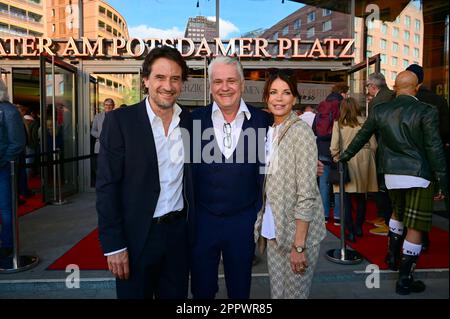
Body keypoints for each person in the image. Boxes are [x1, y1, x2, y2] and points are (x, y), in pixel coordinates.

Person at [96, 45, 194, 299]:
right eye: (160, 77)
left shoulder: (190, 123)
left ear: (182, 83)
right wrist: (114, 244)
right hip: (136, 236)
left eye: (175, 78)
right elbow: (107, 186)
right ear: (146, 80)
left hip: (177, 236)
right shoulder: (120, 121)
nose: (168, 85)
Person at [339, 71, 448, 295]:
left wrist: (345, 156)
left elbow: (361, 137)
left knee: (397, 214)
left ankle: (391, 256)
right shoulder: (426, 110)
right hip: (419, 174)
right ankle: (405, 278)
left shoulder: (381, 110)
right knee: (416, 226)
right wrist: (442, 180)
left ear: (396, 88)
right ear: (416, 88)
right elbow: (434, 147)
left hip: (390, 174)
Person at [190, 56, 270, 299]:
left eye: (231, 81)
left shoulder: (263, 122)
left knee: (240, 289)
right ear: (211, 86)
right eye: (218, 81)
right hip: (202, 221)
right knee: (202, 289)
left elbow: (282, 156)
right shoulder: (192, 121)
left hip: (243, 221)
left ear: (243, 84)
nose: (225, 87)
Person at [254, 69, 326, 299]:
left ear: (294, 98)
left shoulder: (300, 132)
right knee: (278, 294)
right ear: (266, 98)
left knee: (294, 295)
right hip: (274, 229)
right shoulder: (270, 131)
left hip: (297, 233)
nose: (279, 98)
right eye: (273, 92)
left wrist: (299, 246)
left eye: (286, 93)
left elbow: (307, 193)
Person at [405, 63, 449, 250]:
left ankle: (403, 243)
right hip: (429, 156)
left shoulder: (401, 100)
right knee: (425, 201)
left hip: (406, 156)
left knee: (404, 202)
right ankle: (422, 238)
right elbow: (446, 130)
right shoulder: (437, 100)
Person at [330, 97, 378, 242]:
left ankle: (349, 230)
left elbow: (334, 147)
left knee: (346, 200)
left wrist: (337, 158)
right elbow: (374, 145)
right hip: (364, 160)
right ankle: (358, 228)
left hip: (346, 161)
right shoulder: (365, 122)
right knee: (361, 198)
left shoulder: (338, 124)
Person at [313, 83, 348, 224]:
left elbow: (315, 129)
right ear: (342, 93)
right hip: (337, 150)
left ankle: (324, 215)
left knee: (323, 184)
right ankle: (338, 218)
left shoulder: (323, 105)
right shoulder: (342, 105)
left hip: (321, 149)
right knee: (338, 184)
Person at [365, 72, 395, 236]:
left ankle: (386, 221)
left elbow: (372, 127)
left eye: (367, 86)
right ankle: (385, 218)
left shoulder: (377, 101)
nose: (367, 89)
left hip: (384, 148)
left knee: (382, 185)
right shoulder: (393, 95)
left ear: (373, 86)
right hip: (394, 148)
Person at [0, 79, 26, 259]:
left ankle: (8, 245)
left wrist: (3, 161)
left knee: (6, 209)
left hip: (2, 168)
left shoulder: (8, 111)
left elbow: (17, 142)